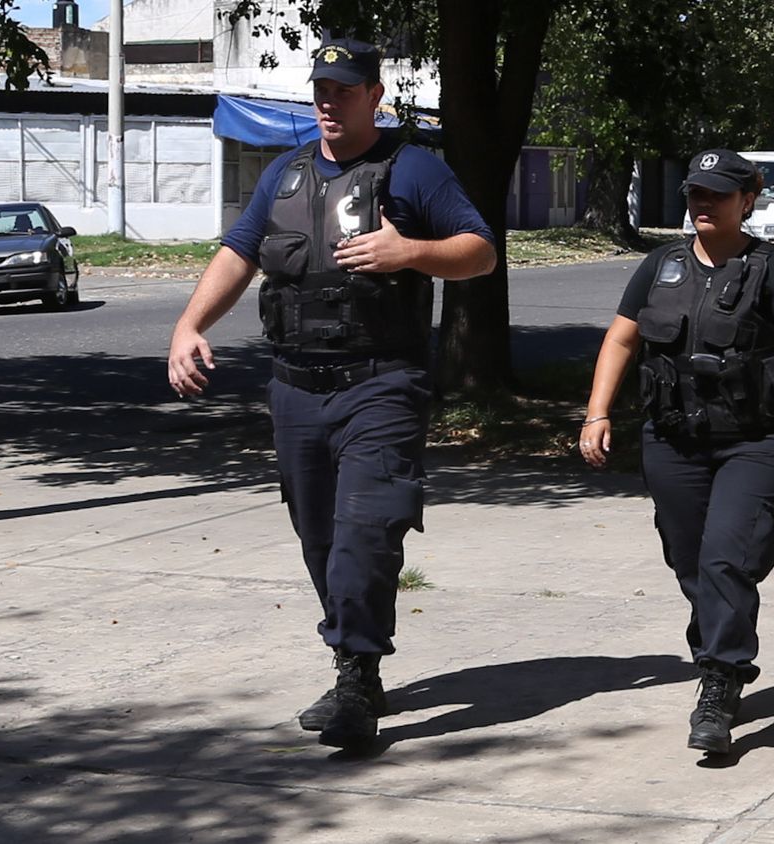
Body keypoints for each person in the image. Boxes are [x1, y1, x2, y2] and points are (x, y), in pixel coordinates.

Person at [166, 38, 496, 751]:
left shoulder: (412, 172)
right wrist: (189, 325)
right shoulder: (283, 177)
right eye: (320, 88)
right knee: (318, 538)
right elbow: (238, 253)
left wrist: (411, 252)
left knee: (365, 536)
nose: (328, 101)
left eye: (344, 90)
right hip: (295, 389)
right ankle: (357, 662)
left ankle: (356, 680)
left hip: (381, 383)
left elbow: (481, 249)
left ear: (375, 96)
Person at [580, 149, 774, 756]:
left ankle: (720, 679)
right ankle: (716, 649)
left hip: (757, 441)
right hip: (672, 440)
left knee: (727, 558)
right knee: (690, 562)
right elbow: (621, 340)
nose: (702, 204)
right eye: (695, 193)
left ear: (746, 201)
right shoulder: (660, 264)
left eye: (717, 195)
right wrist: (598, 412)